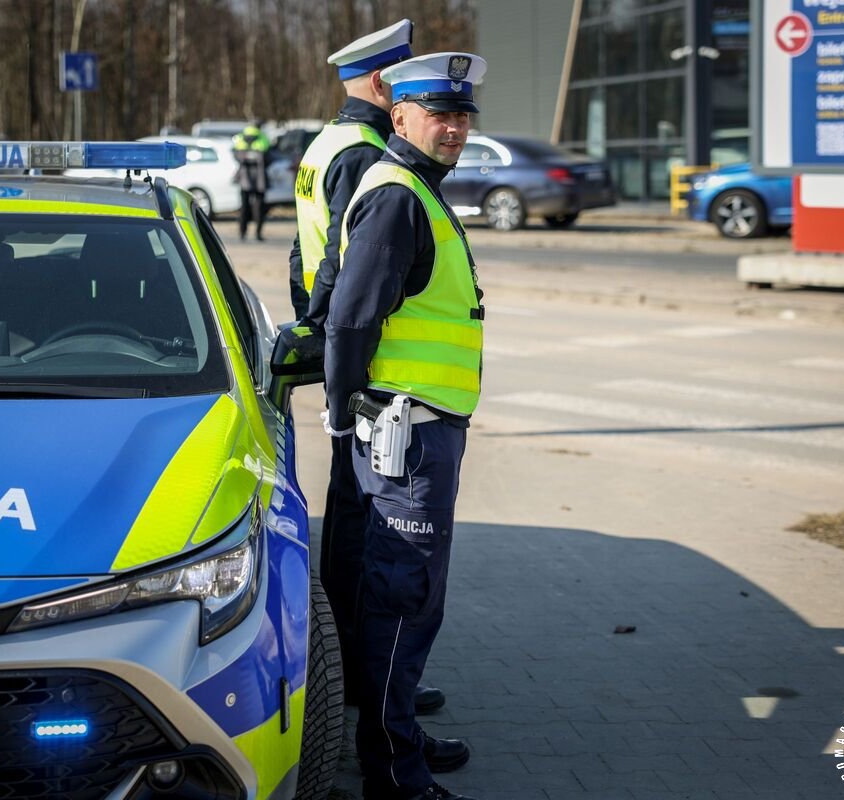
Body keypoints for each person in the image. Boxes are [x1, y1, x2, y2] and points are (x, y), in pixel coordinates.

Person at [323, 51, 487, 800]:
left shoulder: (415, 187)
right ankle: (394, 773)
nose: (453, 128)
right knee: (403, 599)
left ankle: (396, 740)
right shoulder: (397, 196)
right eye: (438, 114)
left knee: (402, 596)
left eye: (461, 116)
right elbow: (351, 318)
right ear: (399, 116)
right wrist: (343, 413)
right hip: (406, 434)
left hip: (420, 427)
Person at [288, 18, 448, 724]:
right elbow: (344, 264)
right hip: (368, 369)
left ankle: (361, 678)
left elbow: (304, 258)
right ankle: (363, 680)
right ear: (385, 82)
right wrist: (341, 364)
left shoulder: (326, 143)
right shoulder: (366, 155)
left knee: (354, 522)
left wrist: (312, 328)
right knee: (365, 535)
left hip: (341, 353)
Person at [232, 122, 270, 240]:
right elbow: (268, 157)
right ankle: (258, 233)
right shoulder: (263, 137)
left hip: (245, 178)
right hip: (260, 179)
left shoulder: (241, 137)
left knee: (244, 206)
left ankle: (242, 233)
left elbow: (235, 156)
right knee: (259, 207)